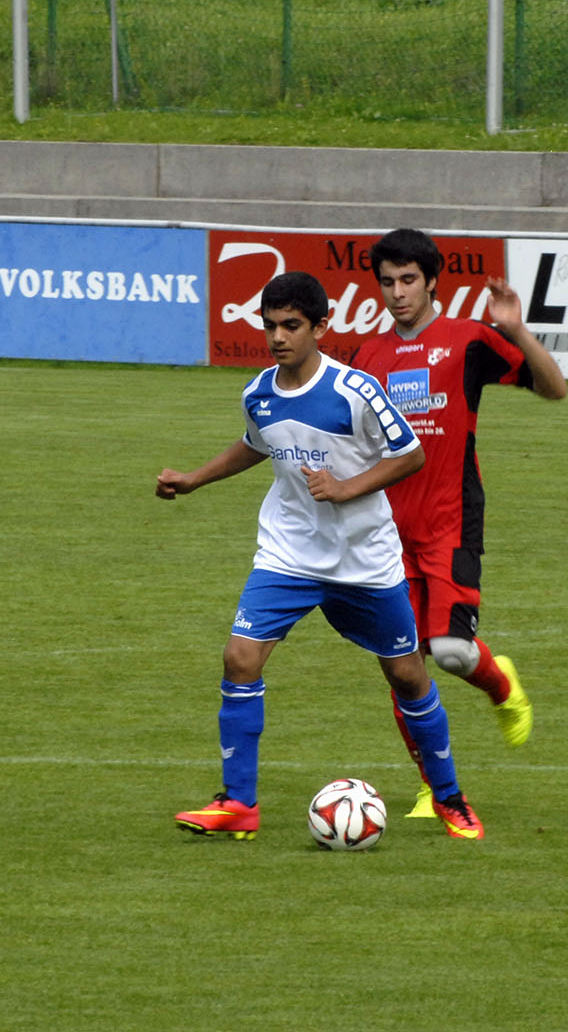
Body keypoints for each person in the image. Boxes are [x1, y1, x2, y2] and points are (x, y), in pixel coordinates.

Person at [158, 271, 486, 841]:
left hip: (365, 560)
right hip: (288, 553)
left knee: (407, 674)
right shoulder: (258, 392)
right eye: (270, 326)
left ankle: (449, 797)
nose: (278, 337)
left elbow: (410, 455)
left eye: (292, 325)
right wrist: (194, 479)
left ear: (320, 327)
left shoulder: (356, 391)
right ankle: (238, 803)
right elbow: (256, 444)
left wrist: (345, 487)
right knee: (240, 659)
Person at [354, 228, 568, 818]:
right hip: (384, 534)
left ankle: (503, 687)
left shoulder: (467, 340)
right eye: (388, 282)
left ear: (431, 282)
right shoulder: (366, 358)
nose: (398, 293)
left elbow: (555, 389)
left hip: (450, 521)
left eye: (409, 280)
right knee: (404, 666)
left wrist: (516, 330)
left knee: (450, 651)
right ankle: (433, 785)